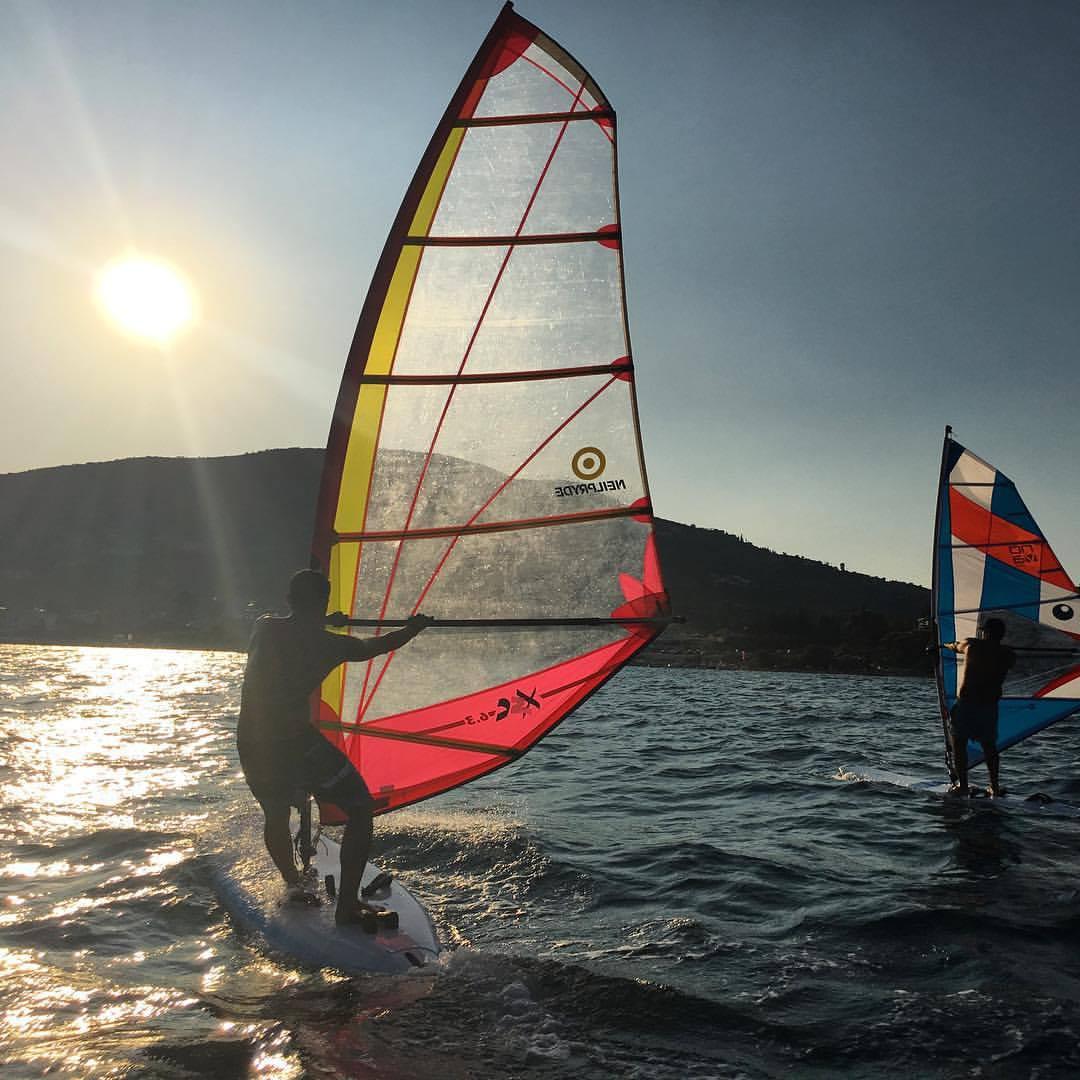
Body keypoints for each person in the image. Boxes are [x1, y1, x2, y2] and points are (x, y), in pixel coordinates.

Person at [237, 569, 431, 924]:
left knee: (276, 812)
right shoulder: (330, 645)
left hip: (252, 741)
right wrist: (412, 629)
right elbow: (377, 646)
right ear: (323, 601)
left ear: (289, 599)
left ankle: (293, 884)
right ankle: (347, 907)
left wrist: (325, 620)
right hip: (294, 743)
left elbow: (293, 624)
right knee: (359, 806)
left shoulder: (264, 628)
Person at [942, 617, 1015, 798]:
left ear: (986, 632)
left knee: (959, 743)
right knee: (989, 746)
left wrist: (944, 645)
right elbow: (1008, 662)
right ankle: (995, 787)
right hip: (989, 706)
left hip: (967, 705)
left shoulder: (972, 645)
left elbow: (956, 645)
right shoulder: (1008, 654)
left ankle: (963, 786)